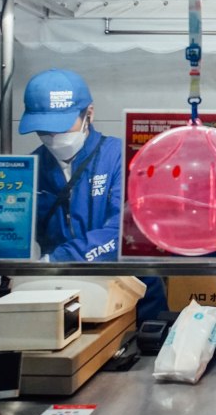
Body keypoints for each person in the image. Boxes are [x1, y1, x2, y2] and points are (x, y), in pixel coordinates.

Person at [20, 68, 166, 322]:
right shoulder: (31, 167)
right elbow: (11, 229)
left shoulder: (121, 156)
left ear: (89, 113)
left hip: (133, 296)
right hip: (57, 297)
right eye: (44, 130)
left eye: (62, 127)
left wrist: (55, 259)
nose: (54, 138)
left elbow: (124, 231)